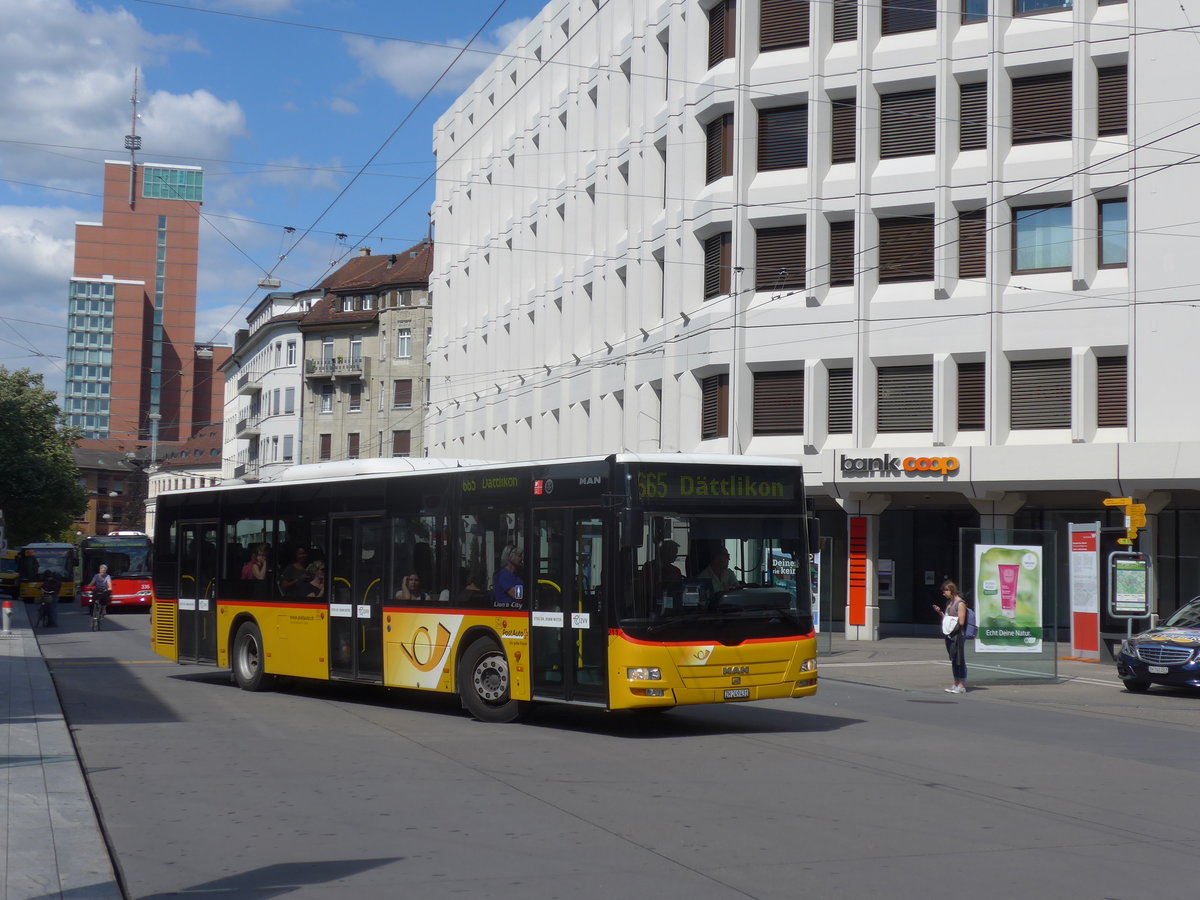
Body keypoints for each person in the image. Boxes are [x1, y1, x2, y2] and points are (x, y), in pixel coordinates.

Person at [933, 580, 969, 694]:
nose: (944, 594)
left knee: (960, 659)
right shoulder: (949, 603)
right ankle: (956, 682)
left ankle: (961, 684)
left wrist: (952, 622)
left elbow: (961, 622)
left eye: (945, 591)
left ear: (951, 590)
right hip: (949, 633)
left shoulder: (960, 603)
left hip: (958, 634)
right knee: (953, 658)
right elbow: (947, 619)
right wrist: (940, 613)